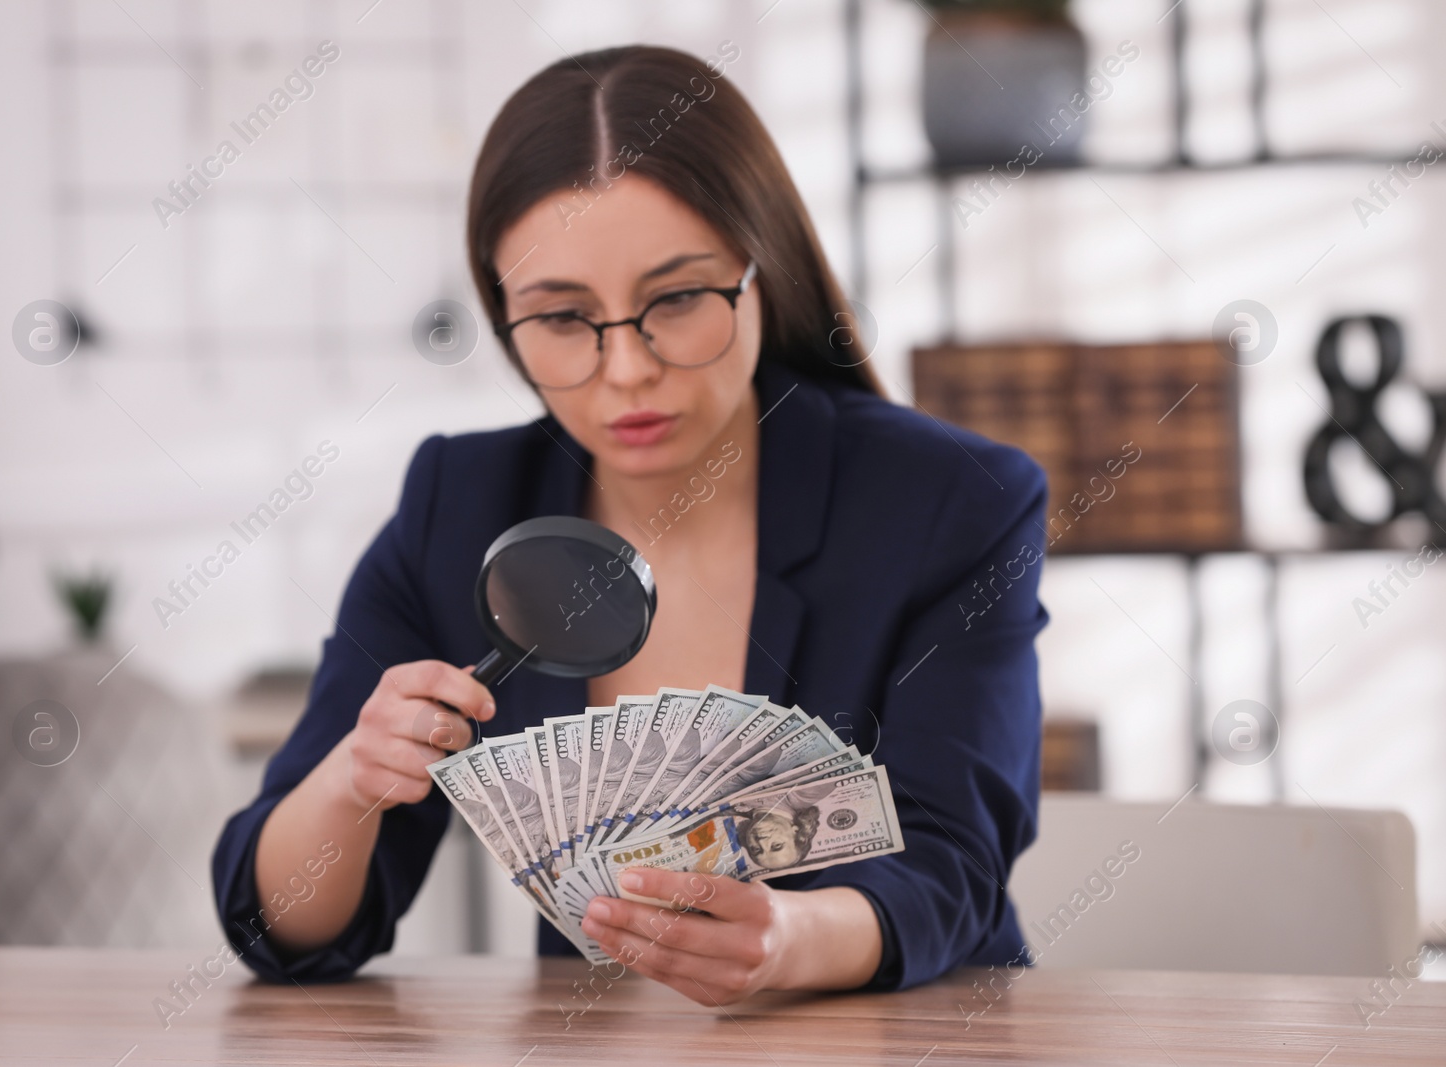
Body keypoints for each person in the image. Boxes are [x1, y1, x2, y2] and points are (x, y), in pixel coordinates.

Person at [212, 43, 1048, 1007]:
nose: (627, 372)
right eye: (563, 317)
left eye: (679, 300)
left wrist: (789, 942)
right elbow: (281, 933)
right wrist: (349, 786)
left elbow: (954, 860)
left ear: (760, 269)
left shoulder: (953, 500)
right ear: (502, 315)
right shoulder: (463, 501)